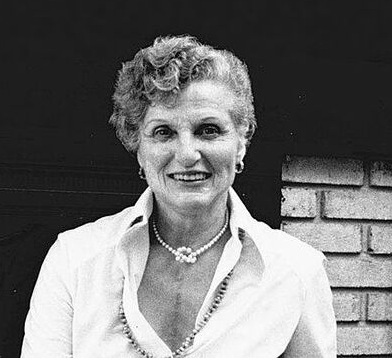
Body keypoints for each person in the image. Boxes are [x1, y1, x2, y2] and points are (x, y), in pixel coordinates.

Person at [21, 35, 337, 357]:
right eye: (163, 132)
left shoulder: (296, 271)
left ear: (241, 143)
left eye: (208, 130)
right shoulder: (74, 260)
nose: (187, 154)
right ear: (138, 147)